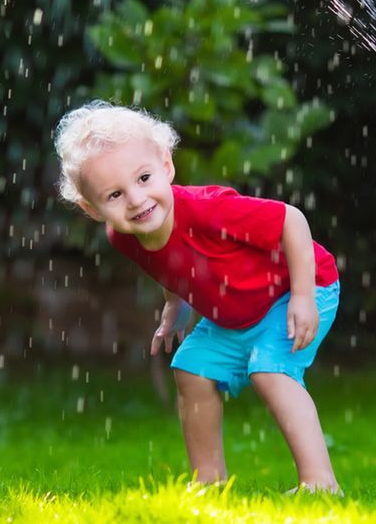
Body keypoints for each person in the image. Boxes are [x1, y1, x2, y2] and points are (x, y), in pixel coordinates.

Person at [54, 101, 341, 494]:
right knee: (190, 367)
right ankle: (209, 484)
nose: (137, 200)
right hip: (237, 312)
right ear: (92, 208)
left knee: (270, 370)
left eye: (143, 178)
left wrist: (304, 297)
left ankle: (320, 484)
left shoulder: (209, 210)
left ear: (167, 167)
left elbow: (292, 220)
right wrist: (175, 304)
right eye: (115, 194)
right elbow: (169, 263)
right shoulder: (122, 235)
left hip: (300, 286)